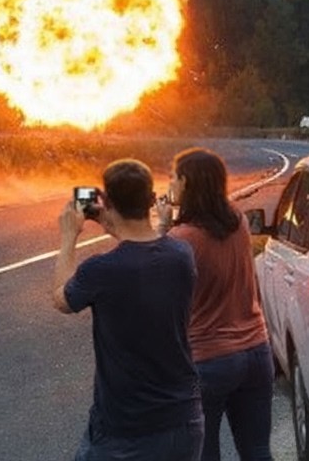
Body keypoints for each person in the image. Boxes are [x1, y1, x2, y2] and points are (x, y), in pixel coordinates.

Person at [54, 158, 204, 461]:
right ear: (151, 199)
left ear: (107, 202)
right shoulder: (181, 254)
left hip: (127, 430)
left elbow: (62, 300)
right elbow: (144, 247)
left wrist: (70, 235)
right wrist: (113, 220)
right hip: (183, 420)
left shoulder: (101, 270)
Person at [160, 147, 273, 461]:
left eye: (173, 176)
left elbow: (160, 284)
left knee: (203, 453)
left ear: (186, 182)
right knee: (257, 450)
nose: (169, 182)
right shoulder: (237, 219)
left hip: (209, 360)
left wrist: (163, 227)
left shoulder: (182, 239)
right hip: (255, 351)